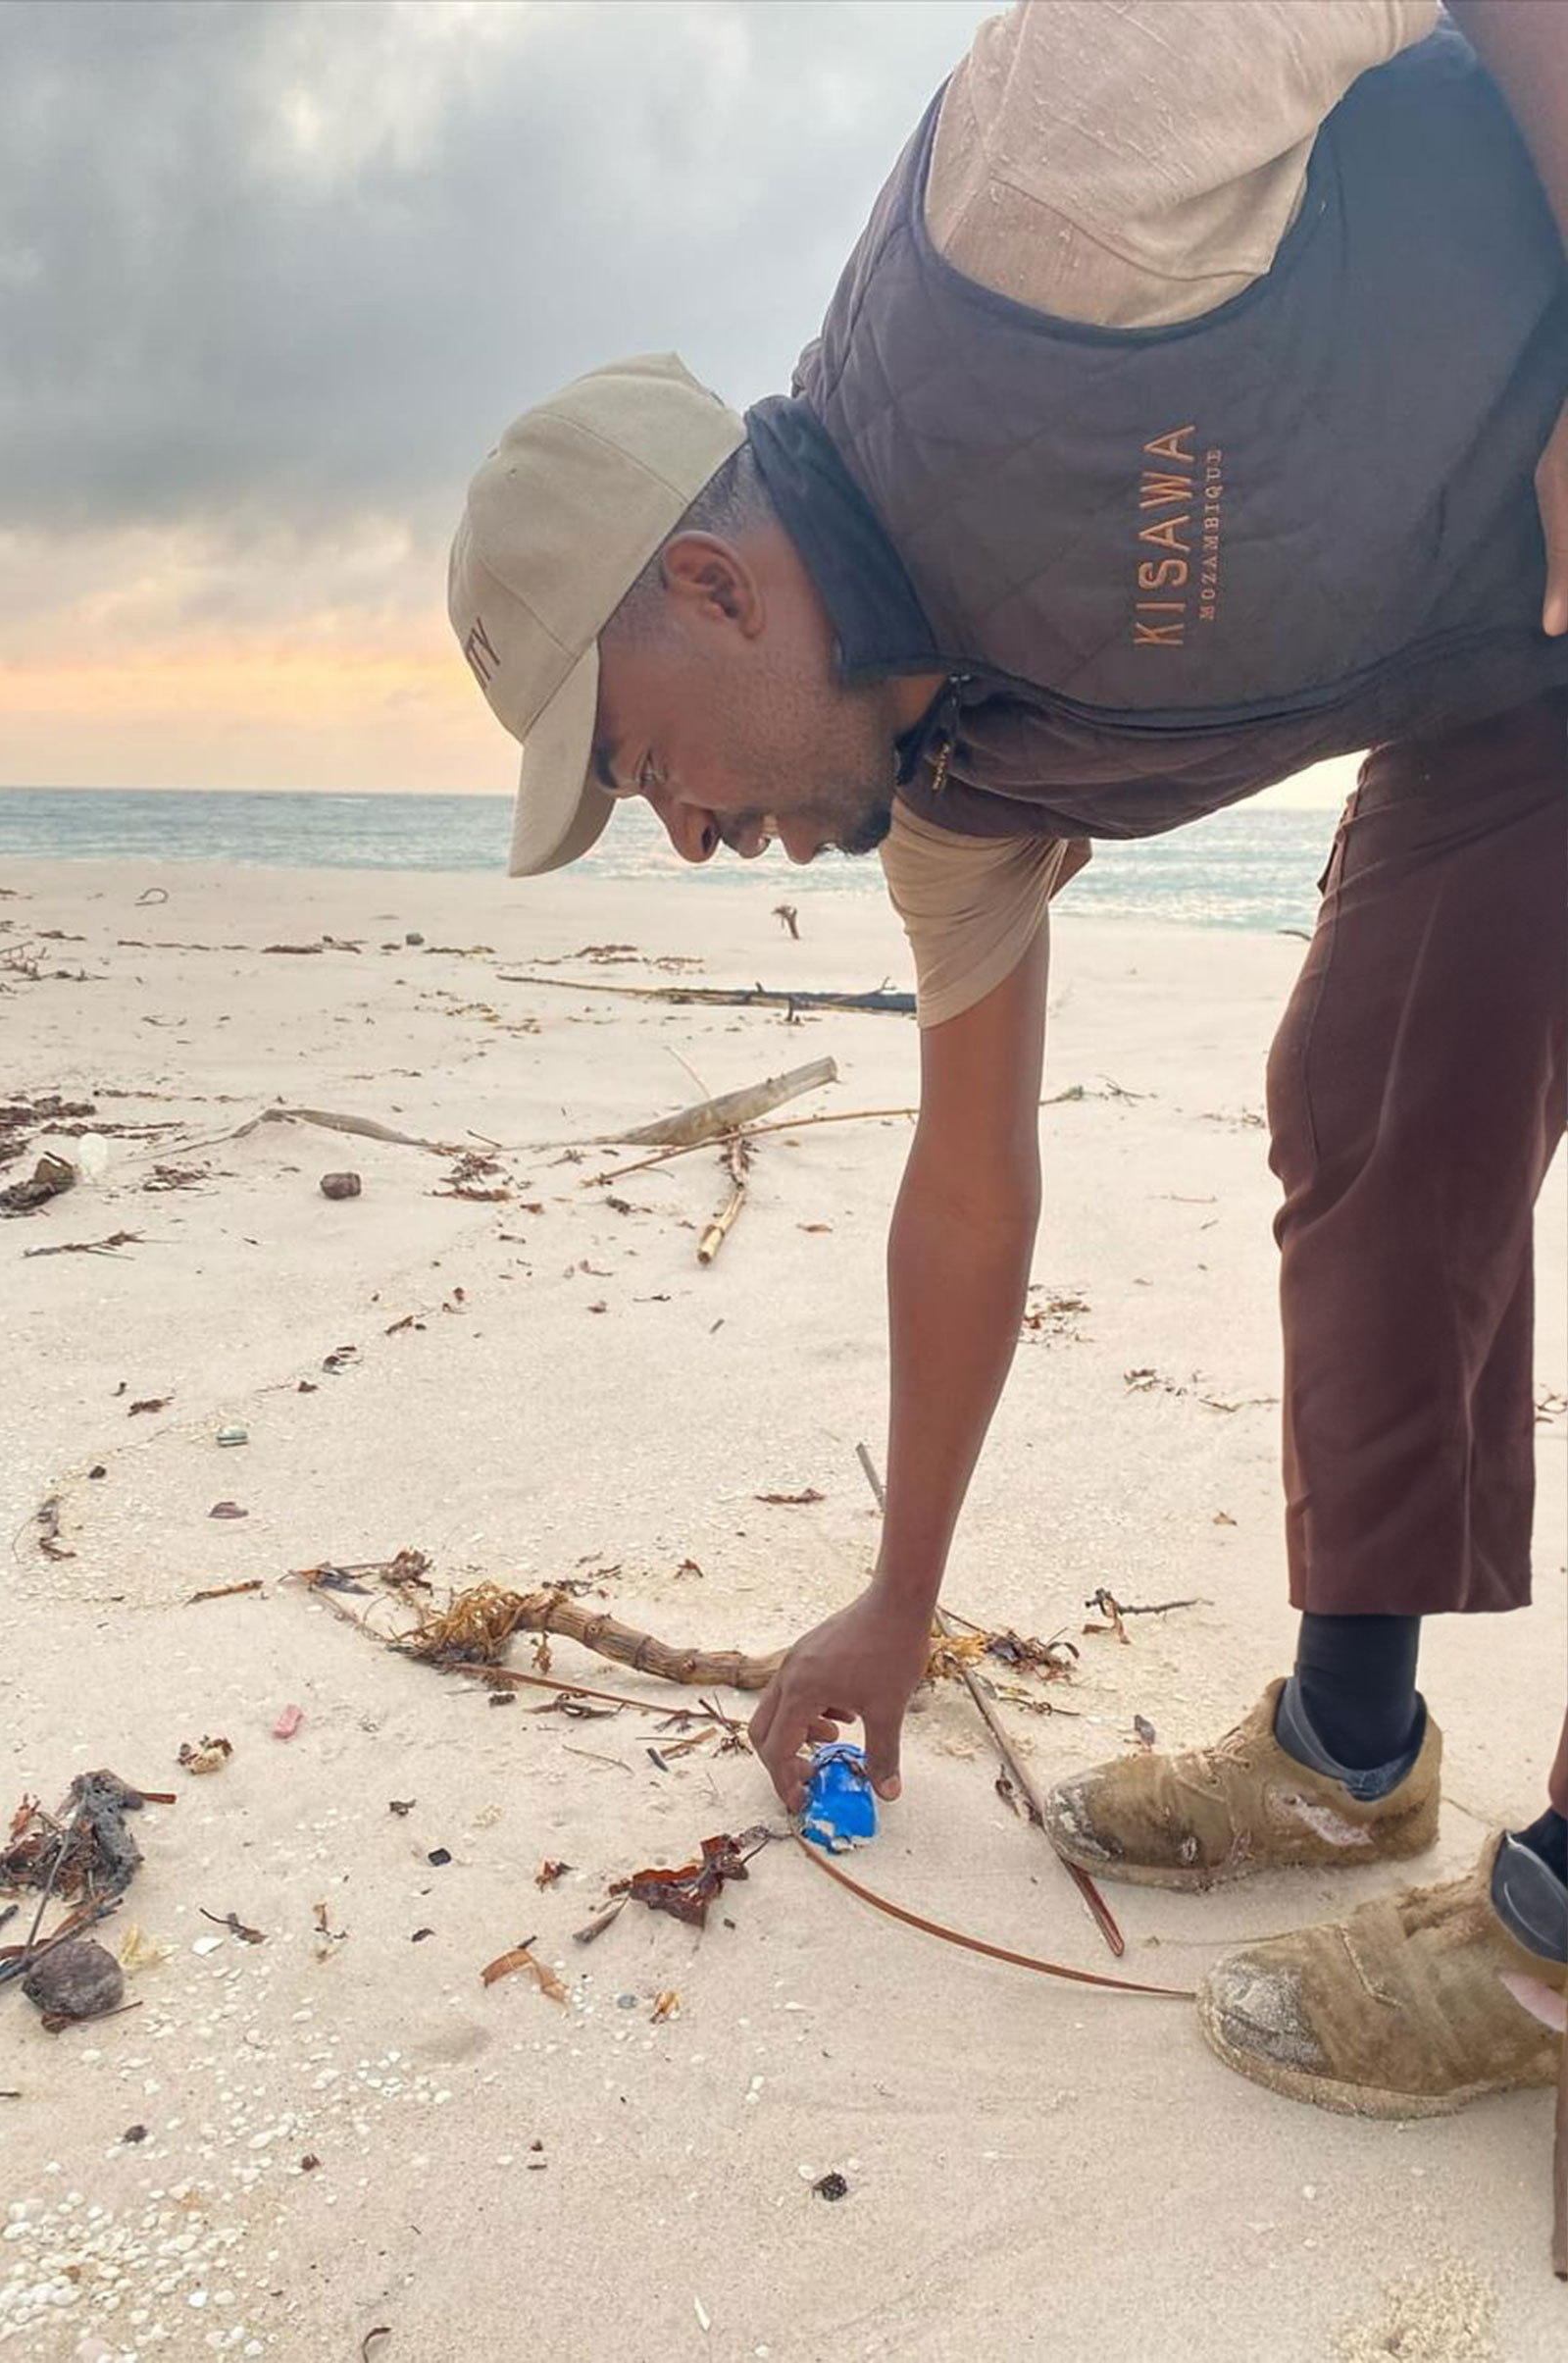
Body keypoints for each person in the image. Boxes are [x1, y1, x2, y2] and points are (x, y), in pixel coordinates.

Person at [449, 0, 1567, 2116]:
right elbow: (967, 1189)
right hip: (1510, 668)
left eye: (642, 765)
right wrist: (897, 1605)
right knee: (1372, 1091)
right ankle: (1347, 1759)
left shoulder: (1036, 201)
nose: (686, 836)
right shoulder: (947, 787)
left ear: (706, 581)